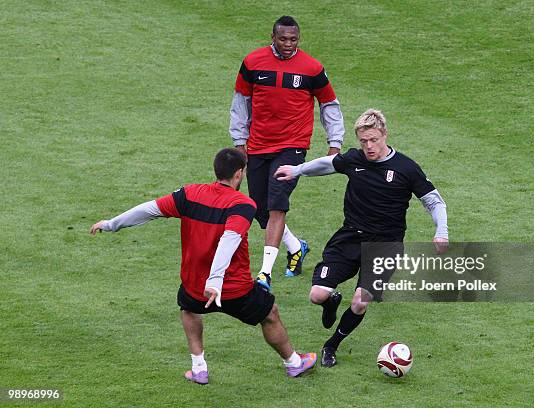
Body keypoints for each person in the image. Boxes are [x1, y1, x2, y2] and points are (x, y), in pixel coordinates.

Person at [90, 148, 317, 384]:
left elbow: (149, 210)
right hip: (232, 288)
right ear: (239, 174)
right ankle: (294, 363)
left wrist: (111, 224)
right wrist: (215, 280)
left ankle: (199, 369)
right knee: (269, 314)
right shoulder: (243, 204)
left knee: (189, 308)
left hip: (195, 286)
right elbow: (229, 239)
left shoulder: (189, 195)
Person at [275, 109, 449, 367]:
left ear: (385, 135)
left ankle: (331, 345)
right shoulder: (355, 159)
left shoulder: (405, 168)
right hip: (349, 238)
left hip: (385, 246)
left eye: (374, 140)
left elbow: (433, 201)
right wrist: (297, 169)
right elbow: (327, 164)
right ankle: (331, 300)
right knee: (317, 295)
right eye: (364, 141)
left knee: (359, 301)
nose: (369, 146)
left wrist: (441, 230)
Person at [229, 15, 345, 290]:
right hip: (257, 145)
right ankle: (296, 246)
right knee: (259, 208)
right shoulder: (252, 63)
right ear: (273, 37)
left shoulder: (312, 68)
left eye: (293, 39)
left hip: (292, 147)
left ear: (299, 39)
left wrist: (335, 143)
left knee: (277, 202)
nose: (288, 44)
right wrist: (239, 141)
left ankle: (264, 274)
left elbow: (329, 104)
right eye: (283, 39)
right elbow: (241, 102)